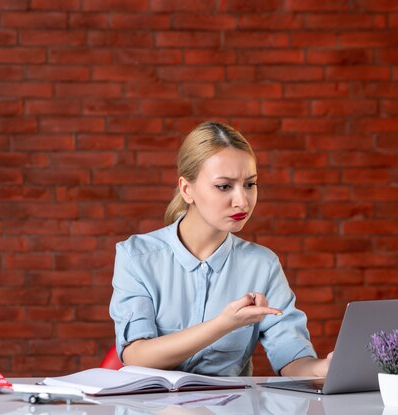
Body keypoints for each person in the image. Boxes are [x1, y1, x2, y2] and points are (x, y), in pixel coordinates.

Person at [109, 121, 332, 377]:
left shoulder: (262, 264)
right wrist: (223, 325)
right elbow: (136, 356)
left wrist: (324, 368)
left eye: (250, 184)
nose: (242, 201)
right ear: (187, 189)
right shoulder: (136, 256)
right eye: (224, 186)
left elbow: (292, 359)